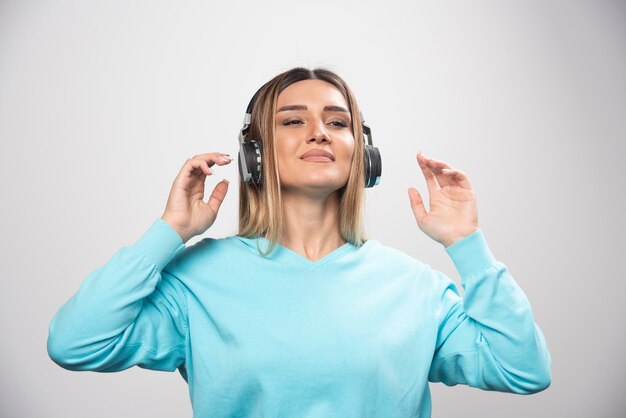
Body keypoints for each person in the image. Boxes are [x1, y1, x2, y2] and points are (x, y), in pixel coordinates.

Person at [47, 67, 551, 417]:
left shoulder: (416, 288)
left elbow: (522, 369)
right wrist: (168, 233)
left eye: (337, 122)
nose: (319, 133)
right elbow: (76, 343)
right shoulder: (197, 281)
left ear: (363, 156)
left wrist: (467, 244)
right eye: (292, 121)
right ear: (255, 156)